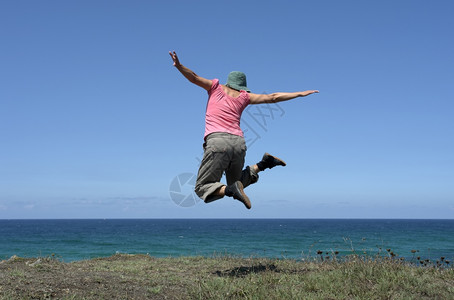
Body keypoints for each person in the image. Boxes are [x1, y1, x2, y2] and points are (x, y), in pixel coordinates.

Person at [169, 51, 318, 209]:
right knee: (237, 181)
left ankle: (231, 190)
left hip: (218, 142)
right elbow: (273, 97)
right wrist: (299, 94)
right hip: (239, 143)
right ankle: (264, 164)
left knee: (203, 188)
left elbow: (193, 77)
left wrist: (179, 66)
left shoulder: (215, 87)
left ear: (228, 82)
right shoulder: (245, 97)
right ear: (242, 86)